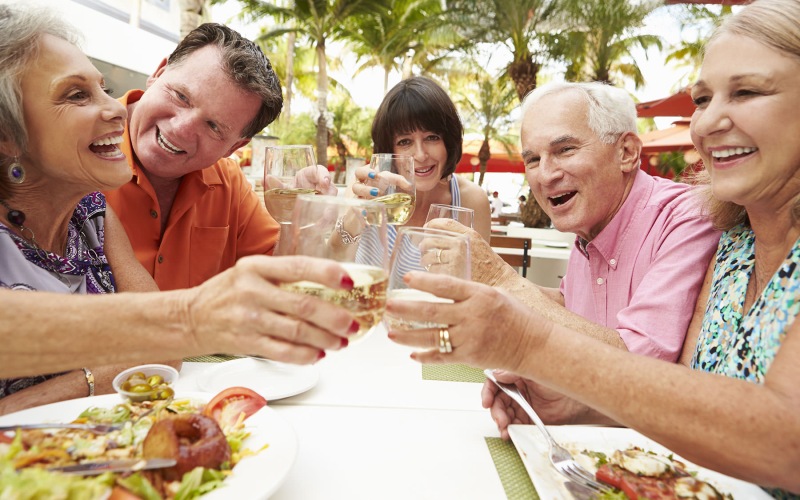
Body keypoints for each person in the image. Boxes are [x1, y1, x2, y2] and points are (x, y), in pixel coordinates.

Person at [388, 0, 800, 494]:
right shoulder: (734, 246)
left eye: (747, 91)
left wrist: (515, 313)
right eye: (701, 100)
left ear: (627, 151)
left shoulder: (688, 219)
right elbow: (684, 396)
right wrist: (571, 402)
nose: (708, 122)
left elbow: (779, 437)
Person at [431, 82, 719, 379]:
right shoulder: (592, 221)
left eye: (565, 150)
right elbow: (570, 307)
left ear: (627, 152)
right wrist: (484, 281)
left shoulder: (685, 218)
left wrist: (499, 279)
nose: (545, 175)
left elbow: (640, 366)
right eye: (533, 159)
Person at [0, 3, 173, 414]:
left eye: (103, 88)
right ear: (7, 135)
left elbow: (163, 344)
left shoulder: (92, 212)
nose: (118, 108)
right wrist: (111, 372)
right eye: (77, 95)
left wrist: (67, 389)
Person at [104, 22, 334, 291]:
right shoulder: (78, 142)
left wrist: (301, 223)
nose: (181, 129)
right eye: (181, 96)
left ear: (234, 147)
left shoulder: (229, 183)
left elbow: (277, 281)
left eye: (213, 126)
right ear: (158, 73)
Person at [0, 255, 360, 379]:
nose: (116, 111)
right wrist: (191, 319)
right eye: (78, 104)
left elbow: (162, 356)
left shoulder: (93, 208)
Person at [350, 76, 492, 243]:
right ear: (389, 149)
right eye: (405, 142)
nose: (421, 155)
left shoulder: (472, 200)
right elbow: (333, 253)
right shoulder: (366, 188)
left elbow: (479, 260)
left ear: (448, 142)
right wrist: (353, 218)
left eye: (432, 137)